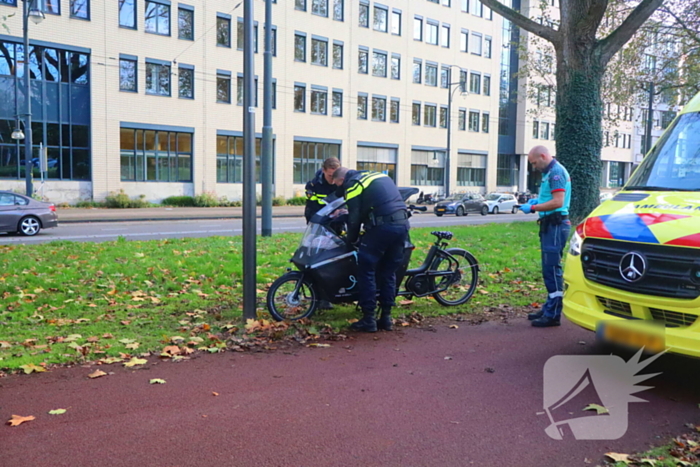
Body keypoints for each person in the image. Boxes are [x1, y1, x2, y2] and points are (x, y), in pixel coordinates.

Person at [331, 167, 409, 332]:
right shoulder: (375, 175)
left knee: (367, 269)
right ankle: (386, 318)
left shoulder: (353, 183)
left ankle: (368, 319)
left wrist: (349, 241)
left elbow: (354, 218)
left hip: (382, 226)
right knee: (389, 272)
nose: (338, 187)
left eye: (337, 183)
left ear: (342, 179)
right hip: (402, 225)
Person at [519, 145, 572, 328]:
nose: (534, 167)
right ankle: (550, 306)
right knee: (548, 269)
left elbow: (558, 201)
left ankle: (553, 313)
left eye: (534, 162)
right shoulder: (550, 173)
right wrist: (538, 201)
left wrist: (533, 207)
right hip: (551, 225)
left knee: (552, 269)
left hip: (556, 225)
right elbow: (552, 198)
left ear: (543, 156)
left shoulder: (556, 172)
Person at [304, 157, 341, 223]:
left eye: (335, 176)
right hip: (320, 221)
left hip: (339, 221)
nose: (333, 179)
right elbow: (311, 209)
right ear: (324, 170)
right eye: (330, 175)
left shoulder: (342, 184)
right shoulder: (313, 186)